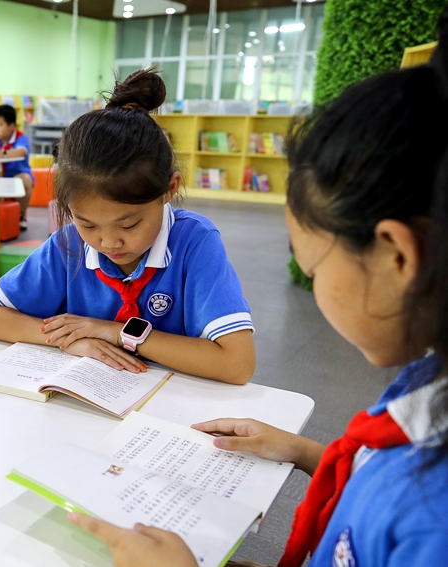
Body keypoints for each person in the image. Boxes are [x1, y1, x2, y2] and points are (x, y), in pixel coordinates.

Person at [67, 16, 448, 567]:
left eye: (313, 266)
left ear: (396, 256)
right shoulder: (424, 389)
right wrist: (306, 451)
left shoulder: (429, 518)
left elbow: (236, 361)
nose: (109, 241)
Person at [0, 70, 255, 385]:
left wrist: (118, 333)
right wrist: (71, 340)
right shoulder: (69, 245)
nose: (108, 242)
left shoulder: (194, 242)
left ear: (169, 189)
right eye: (87, 223)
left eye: (129, 224)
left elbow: (237, 364)